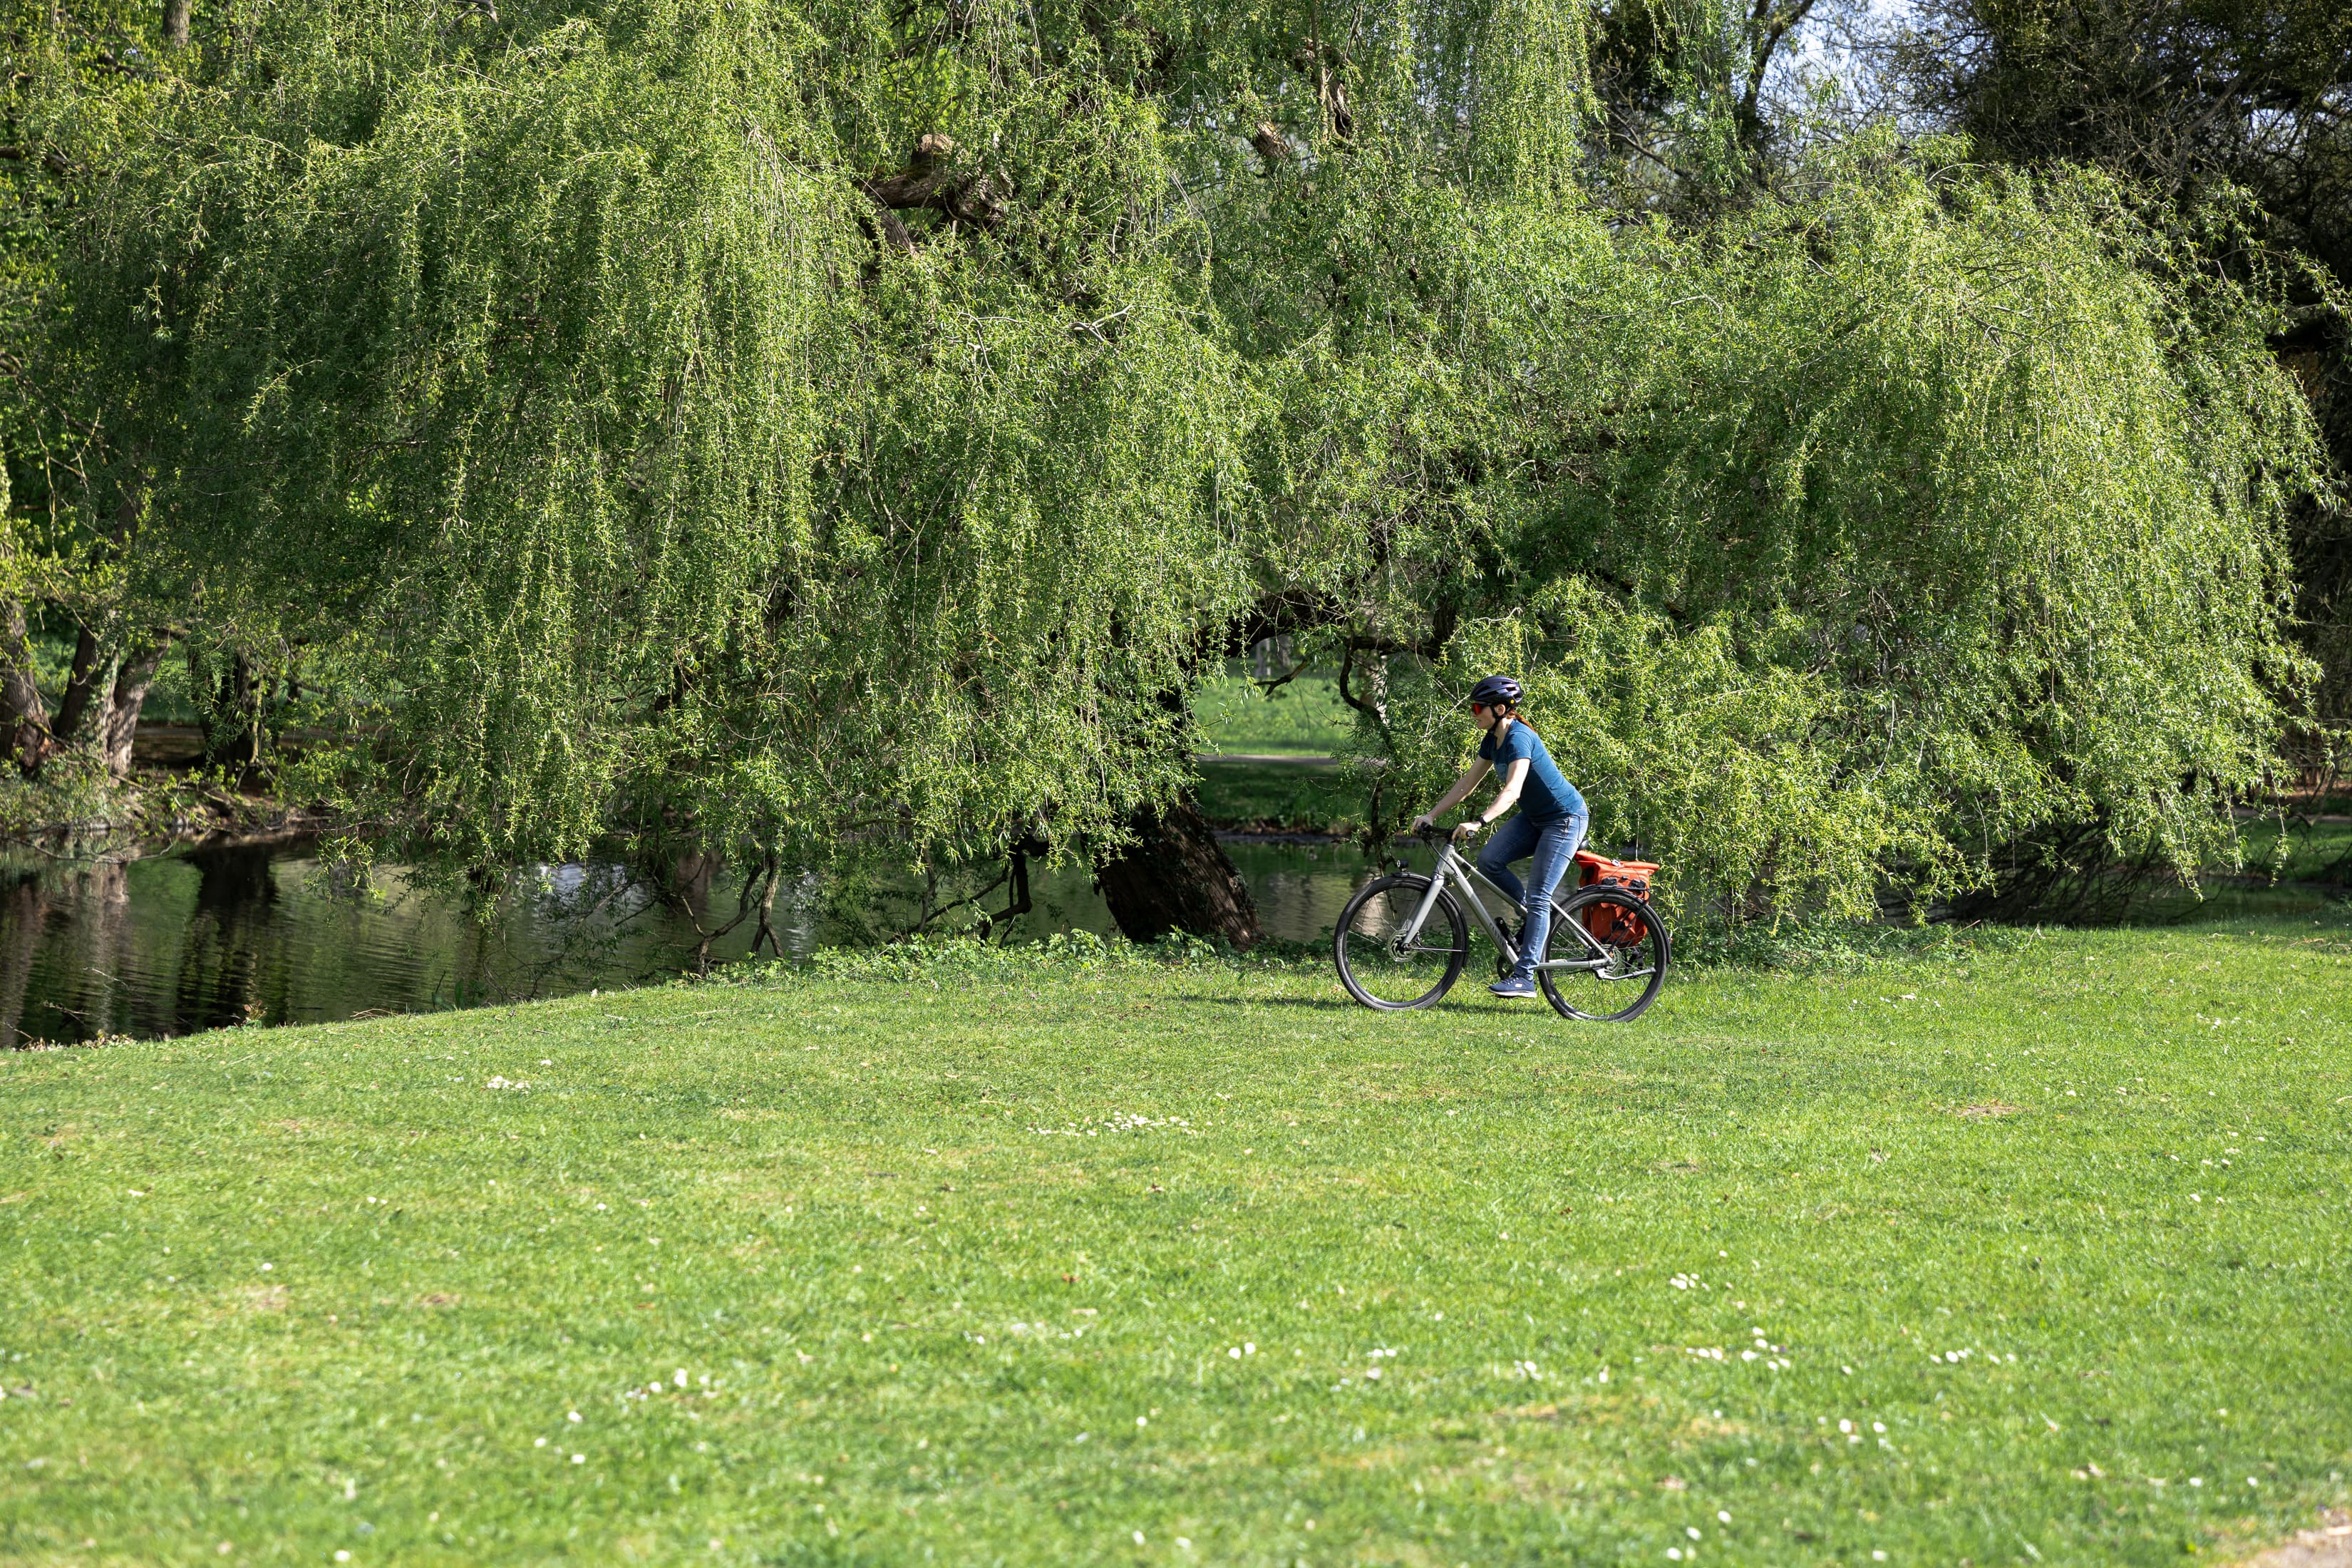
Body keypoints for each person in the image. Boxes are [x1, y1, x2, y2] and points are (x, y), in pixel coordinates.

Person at [1410, 675, 1589, 999]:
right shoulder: (1492, 741)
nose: (1473, 713)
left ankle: (1525, 977)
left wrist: (1481, 820)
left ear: (1500, 709)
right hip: (1535, 818)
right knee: (1489, 861)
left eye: (1478, 707)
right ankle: (1535, 921)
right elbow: (1467, 784)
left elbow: (1513, 790)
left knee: (1539, 896)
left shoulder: (1520, 738)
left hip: (1565, 819)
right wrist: (1431, 815)